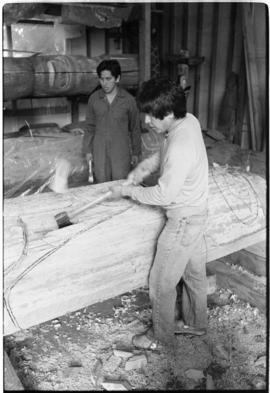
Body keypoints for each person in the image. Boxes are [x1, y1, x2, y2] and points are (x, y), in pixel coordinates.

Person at [110, 78, 209, 349]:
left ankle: (161, 339)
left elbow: (165, 195)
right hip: (198, 212)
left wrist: (130, 192)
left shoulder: (180, 147)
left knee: (161, 283)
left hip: (183, 220)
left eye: (151, 116)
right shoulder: (188, 120)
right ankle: (197, 324)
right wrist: (145, 168)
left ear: (167, 114)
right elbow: (164, 153)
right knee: (194, 274)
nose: (146, 121)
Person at [82, 59, 141, 183]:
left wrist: (136, 152)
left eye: (109, 79)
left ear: (117, 78)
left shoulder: (129, 100)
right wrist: (87, 150)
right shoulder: (94, 99)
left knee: (120, 186)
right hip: (99, 152)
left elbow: (135, 128)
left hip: (120, 153)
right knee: (101, 185)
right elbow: (89, 127)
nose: (105, 83)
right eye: (102, 79)